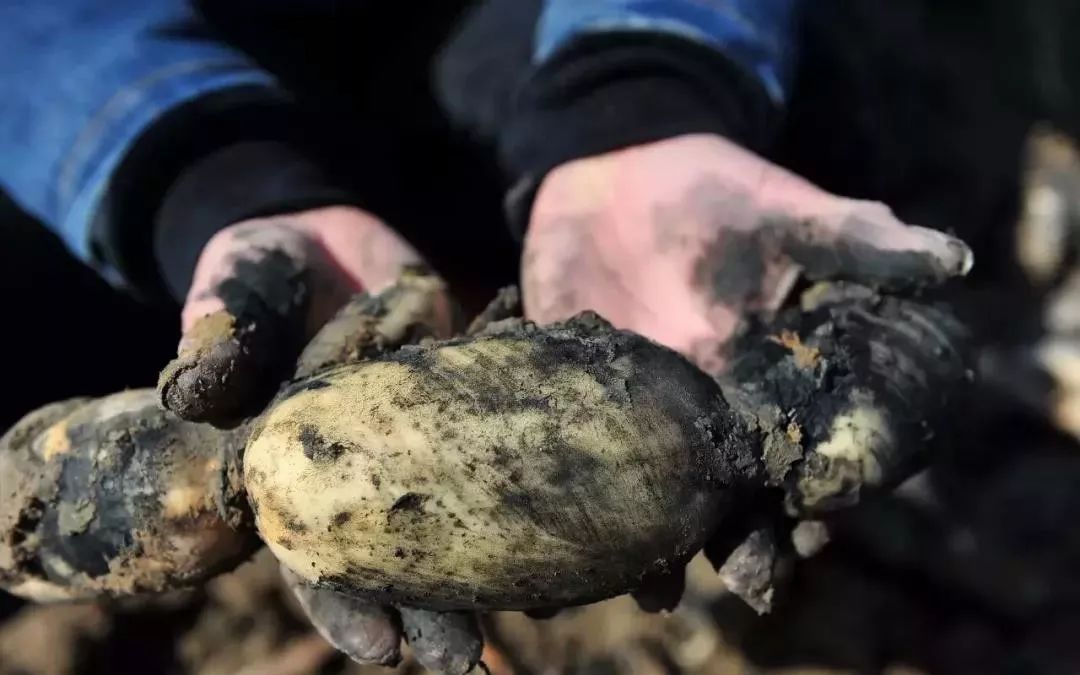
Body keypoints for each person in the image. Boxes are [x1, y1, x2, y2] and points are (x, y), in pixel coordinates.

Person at [0, 0, 973, 669]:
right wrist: (187, 172)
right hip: (173, 88)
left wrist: (648, 80)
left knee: (817, 132)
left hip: (515, 47)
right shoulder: (285, 467)